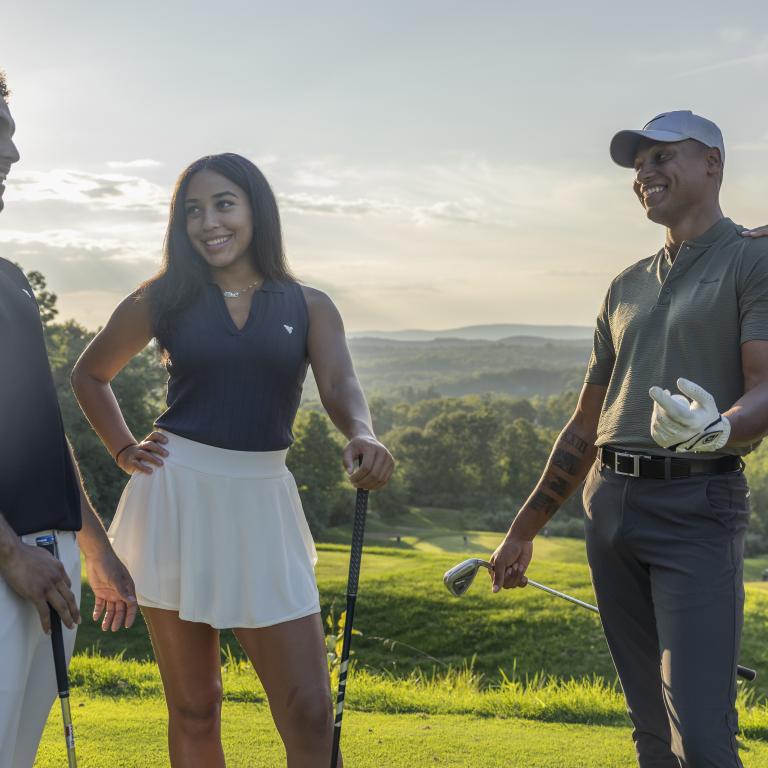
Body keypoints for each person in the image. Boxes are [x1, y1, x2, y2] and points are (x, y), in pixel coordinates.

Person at [71, 152, 395, 768]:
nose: (208, 222)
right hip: (174, 495)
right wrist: (122, 448)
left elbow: (340, 385)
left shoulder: (309, 304)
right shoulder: (161, 297)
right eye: (193, 210)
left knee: (308, 708)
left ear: (255, 211)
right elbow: (90, 374)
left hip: (262, 498)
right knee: (195, 706)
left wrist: (362, 432)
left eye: (224, 204)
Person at [489, 110, 768, 768]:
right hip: (608, 507)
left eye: (663, 155)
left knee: (700, 735)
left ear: (713, 163)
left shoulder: (752, 260)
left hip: (696, 509)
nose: (645, 171)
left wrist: (722, 428)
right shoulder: (625, 285)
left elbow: (764, 386)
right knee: (651, 734)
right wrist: (524, 527)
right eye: (638, 163)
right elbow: (587, 424)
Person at [0, 69, 137, 768]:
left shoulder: (11, 277)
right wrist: (9, 555)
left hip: (46, 555)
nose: (12, 154)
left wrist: (94, 542)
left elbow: (39, 428)